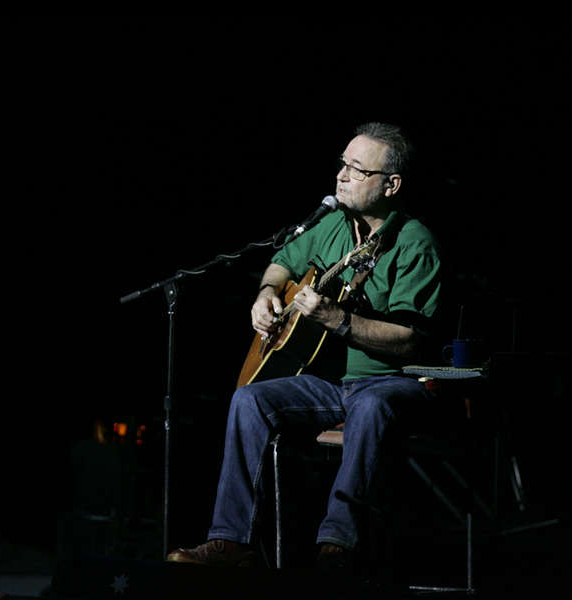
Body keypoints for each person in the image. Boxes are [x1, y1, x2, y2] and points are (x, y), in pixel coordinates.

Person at [166, 122, 443, 570]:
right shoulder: (332, 226)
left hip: (393, 384)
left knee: (372, 407)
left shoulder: (414, 243)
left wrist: (336, 319)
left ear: (391, 185)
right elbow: (280, 264)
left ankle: (338, 546)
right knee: (249, 399)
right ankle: (232, 541)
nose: (342, 176)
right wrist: (265, 296)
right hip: (334, 385)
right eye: (342, 165)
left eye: (357, 169)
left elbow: (411, 340)